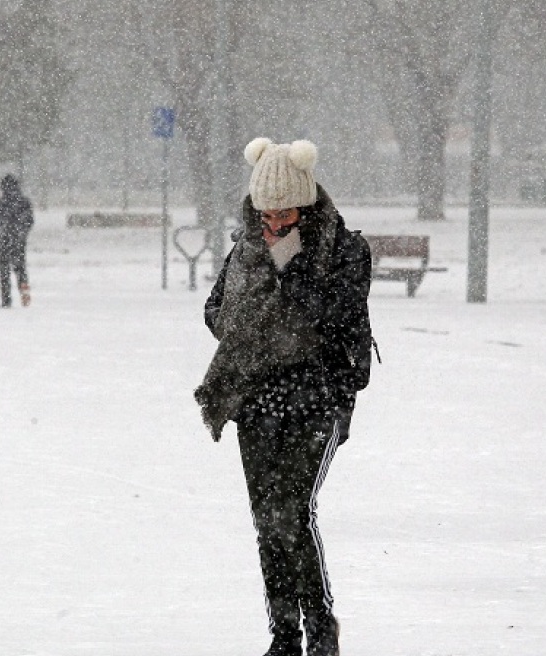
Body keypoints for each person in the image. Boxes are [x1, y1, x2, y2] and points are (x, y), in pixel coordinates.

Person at [195, 138, 372, 656]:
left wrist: (284, 270)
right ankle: (283, 634)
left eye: (286, 212)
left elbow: (328, 315)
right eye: (266, 213)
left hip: (318, 397)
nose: (274, 223)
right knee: (265, 519)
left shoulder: (343, 249)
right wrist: (243, 320)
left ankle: (320, 629)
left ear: (306, 205)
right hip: (257, 397)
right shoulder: (246, 248)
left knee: (293, 511)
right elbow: (214, 310)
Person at [0, 174, 35, 308]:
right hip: (18, 241)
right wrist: (21, 233)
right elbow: (29, 221)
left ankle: (6, 299)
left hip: (4, 241)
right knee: (20, 269)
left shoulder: (1, 203)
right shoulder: (24, 202)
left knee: (4, 271)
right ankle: (24, 292)